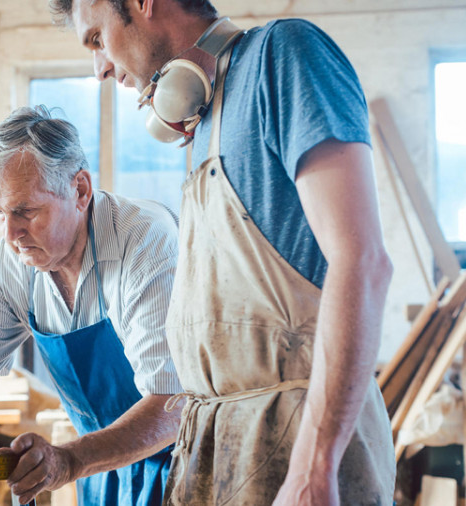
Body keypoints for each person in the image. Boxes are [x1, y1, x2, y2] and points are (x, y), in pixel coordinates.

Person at [50, 0, 396, 504]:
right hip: (223, 448)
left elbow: (362, 262)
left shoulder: (283, 57)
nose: (100, 68)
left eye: (97, 39)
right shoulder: (202, 118)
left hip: (299, 447)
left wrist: (314, 468)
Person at [0, 106, 182, 506]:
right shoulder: (10, 264)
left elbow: (172, 404)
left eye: (25, 211)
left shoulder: (146, 241)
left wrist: (68, 460)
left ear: (80, 190)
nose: (11, 234)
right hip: (103, 465)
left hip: (182, 457)